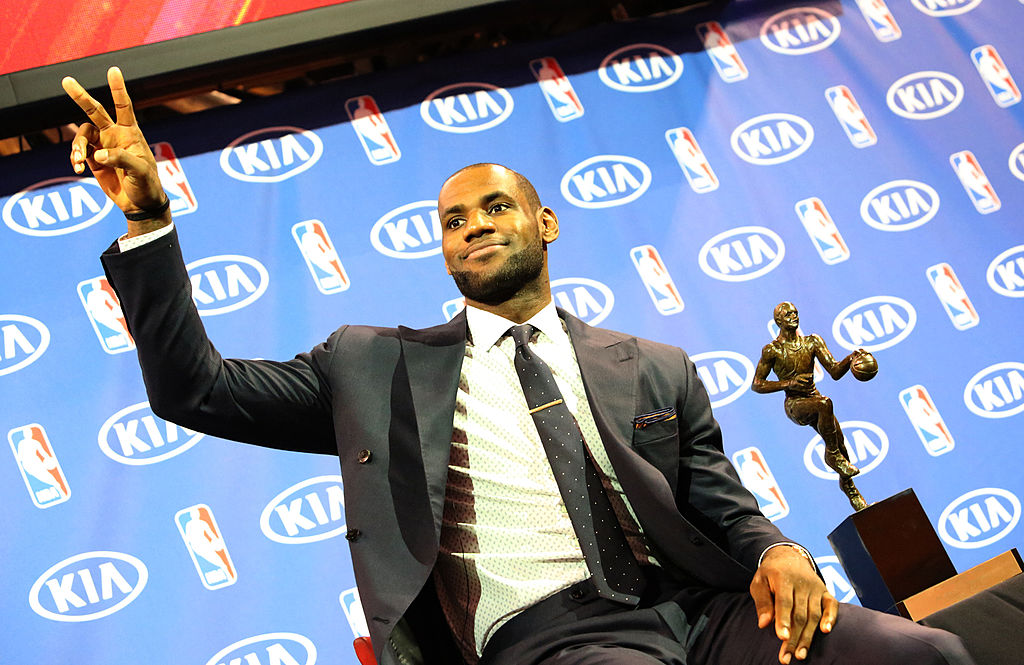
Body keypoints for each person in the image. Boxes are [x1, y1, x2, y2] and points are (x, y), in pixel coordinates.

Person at [61, 67, 973, 665]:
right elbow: (195, 389)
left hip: (704, 610)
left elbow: (719, 499)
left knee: (927, 653)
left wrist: (777, 548)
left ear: (547, 225)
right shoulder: (372, 365)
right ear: (445, 254)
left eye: (496, 206)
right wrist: (148, 221)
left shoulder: (652, 364)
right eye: (454, 221)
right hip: (549, 634)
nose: (474, 225)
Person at [752, 302, 869, 511]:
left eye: (795, 313)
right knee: (825, 405)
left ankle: (852, 493)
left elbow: (834, 371)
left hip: (815, 399)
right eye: (788, 314)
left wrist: (850, 360)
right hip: (795, 404)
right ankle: (831, 455)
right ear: (778, 321)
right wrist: (788, 383)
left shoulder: (812, 342)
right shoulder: (773, 350)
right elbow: (757, 384)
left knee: (842, 446)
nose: (793, 316)